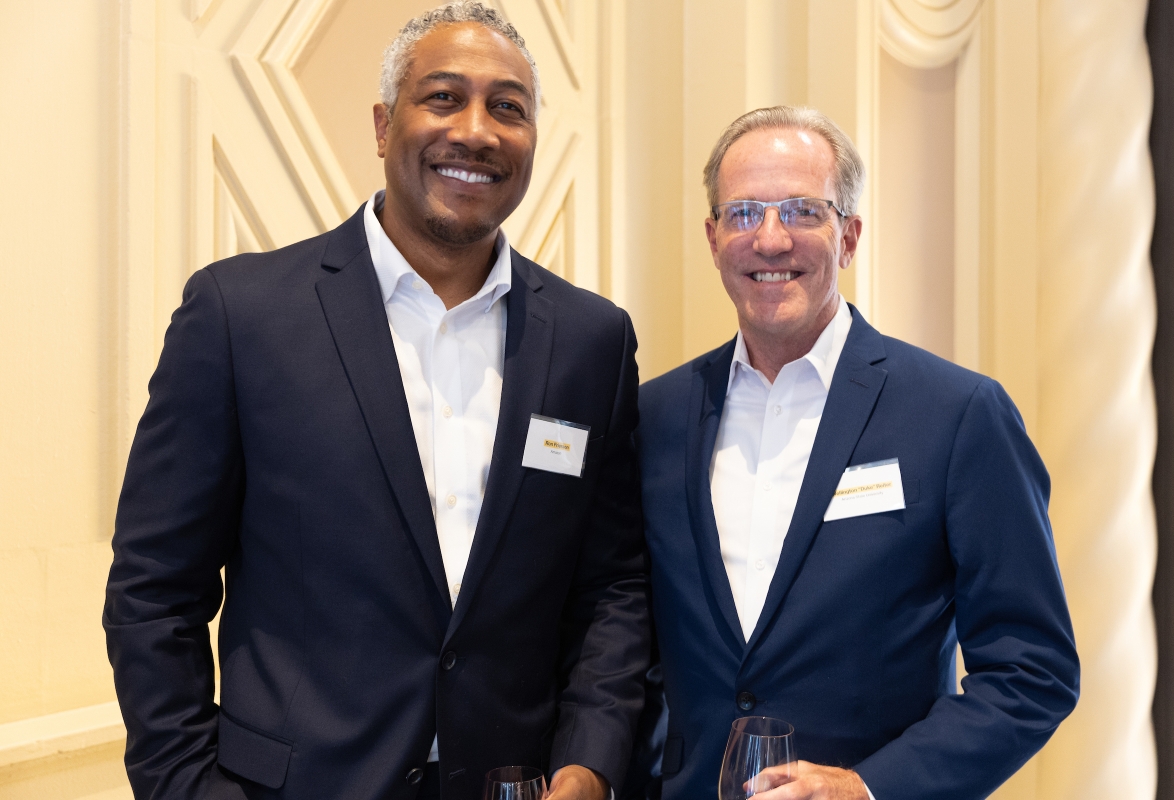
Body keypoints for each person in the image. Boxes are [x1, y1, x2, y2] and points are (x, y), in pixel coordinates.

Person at [103, 4, 649, 799]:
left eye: (508, 107)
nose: (476, 130)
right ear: (384, 124)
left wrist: (589, 763)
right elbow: (155, 588)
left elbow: (612, 587)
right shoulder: (240, 314)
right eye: (443, 97)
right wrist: (185, 785)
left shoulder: (593, 340)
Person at [632, 106, 1080, 800]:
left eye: (803, 212)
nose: (771, 240)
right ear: (713, 237)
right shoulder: (654, 418)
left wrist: (868, 787)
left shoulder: (958, 415)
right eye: (745, 213)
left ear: (849, 237)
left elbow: (1033, 673)